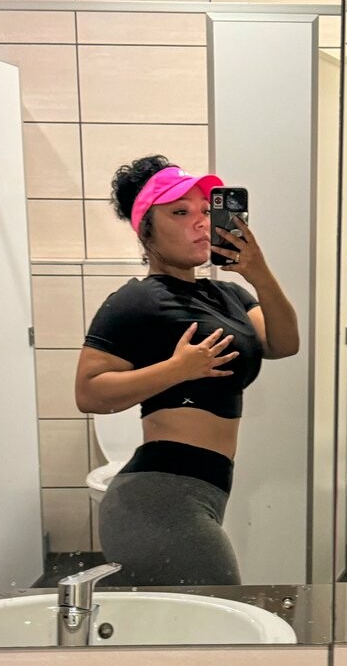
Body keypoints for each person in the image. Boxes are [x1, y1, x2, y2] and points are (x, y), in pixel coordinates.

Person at [75, 155, 299, 586]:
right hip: (159, 497)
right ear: (146, 230)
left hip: (204, 490)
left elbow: (284, 344)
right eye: (180, 212)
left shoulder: (229, 296)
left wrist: (259, 273)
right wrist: (178, 369)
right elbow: (88, 392)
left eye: (205, 210)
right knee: (223, 614)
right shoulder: (135, 300)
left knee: (191, 621)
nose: (200, 222)